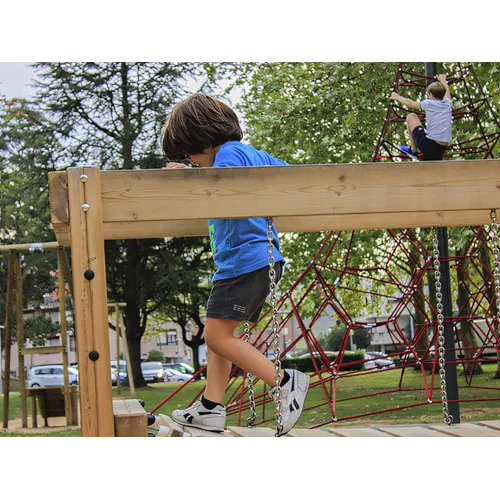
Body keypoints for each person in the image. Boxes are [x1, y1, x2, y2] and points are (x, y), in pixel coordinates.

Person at [160, 93, 310, 435]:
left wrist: (187, 180)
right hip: (252, 262)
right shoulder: (251, 155)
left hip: (245, 261)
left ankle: (285, 380)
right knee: (219, 335)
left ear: (203, 138)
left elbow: (220, 186)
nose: (192, 161)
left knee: (216, 336)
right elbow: (293, 175)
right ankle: (212, 407)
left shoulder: (228, 155)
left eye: (190, 153)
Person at [390, 74, 452, 160]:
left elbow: (410, 103)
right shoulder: (448, 103)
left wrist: (397, 97)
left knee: (411, 116)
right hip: (441, 149)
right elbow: (447, 92)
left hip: (429, 146)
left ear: (431, 95)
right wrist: (443, 80)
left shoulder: (429, 103)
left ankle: (413, 150)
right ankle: (417, 151)